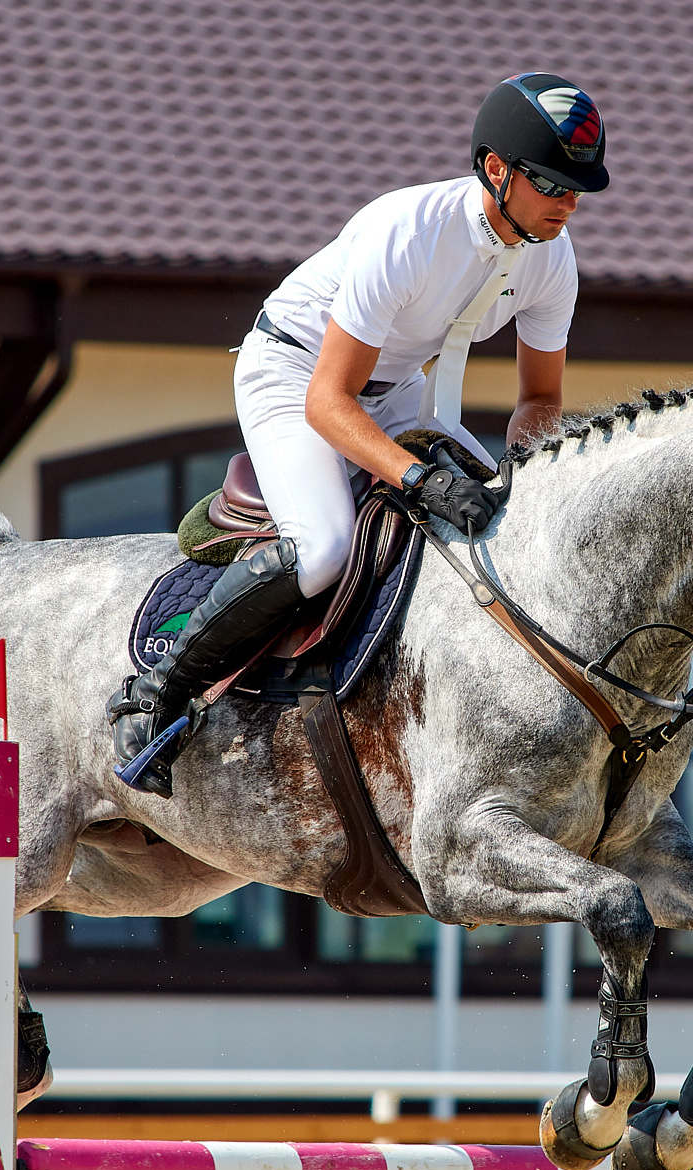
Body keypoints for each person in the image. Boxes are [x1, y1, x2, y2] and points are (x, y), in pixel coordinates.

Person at [108, 72, 610, 796]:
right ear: (496, 170)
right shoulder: (408, 232)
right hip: (296, 374)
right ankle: (157, 692)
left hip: (399, 391)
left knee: (501, 524)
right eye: (554, 185)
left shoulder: (551, 258)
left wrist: (523, 479)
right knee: (323, 550)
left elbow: (538, 399)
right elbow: (328, 400)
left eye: (577, 190)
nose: (569, 204)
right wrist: (419, 477)